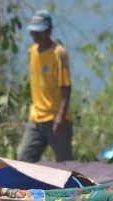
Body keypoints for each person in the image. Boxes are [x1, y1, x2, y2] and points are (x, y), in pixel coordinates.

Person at [17, 10, 73, 163]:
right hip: (36, 118)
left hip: (56, 118)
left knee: (65, 164)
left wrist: (60, 116)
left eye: (39, 32)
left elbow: (66, 87)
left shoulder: (59, 53)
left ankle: (75, 188)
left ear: (49, 31)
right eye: (33, 33)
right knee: (24, 159)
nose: (36, 37)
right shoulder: (32, 51)